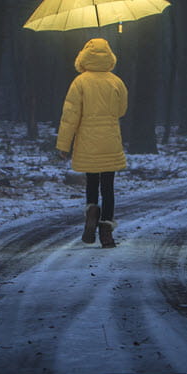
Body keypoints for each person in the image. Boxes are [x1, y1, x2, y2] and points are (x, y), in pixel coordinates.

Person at [56, 37, 129, 248]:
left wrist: (63, 145)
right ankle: (106, 232)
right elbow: (121, 110)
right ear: (109, 56)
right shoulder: (116, 81)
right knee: (108, 187)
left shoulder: (79, 82)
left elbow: (70, 115)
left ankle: (91, 213)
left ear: (84, 57)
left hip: (87, 140)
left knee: (92, 182)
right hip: (110, 140)